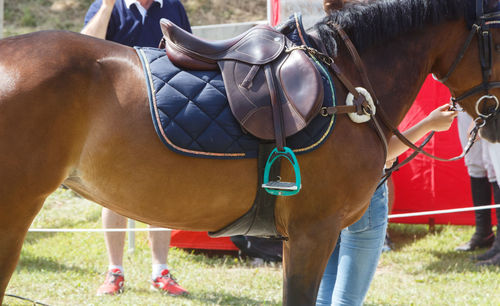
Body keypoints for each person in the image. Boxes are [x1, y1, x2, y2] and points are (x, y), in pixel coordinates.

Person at [81, 0, 191, 296]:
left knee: (163, 190)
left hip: (164, 111)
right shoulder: (108, 6)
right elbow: (86, 44)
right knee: (112, 193)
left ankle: (160, 272)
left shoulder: (173, 6)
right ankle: (114, 272)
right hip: (114, 116)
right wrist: (105, 7)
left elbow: (189, 51)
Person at [316, 104, 458, 306]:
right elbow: (381, 151)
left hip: (323, 188)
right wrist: (428, 124)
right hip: (362, 190)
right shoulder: (366, 84)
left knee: (323, 297)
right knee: (346, 299)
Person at [455, 112, 497, 252]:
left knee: (494, 167)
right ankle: (483, 232)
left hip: (486, 100)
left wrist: (477, 118)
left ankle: (498, 243)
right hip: (464, 100)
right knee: (475, 164)